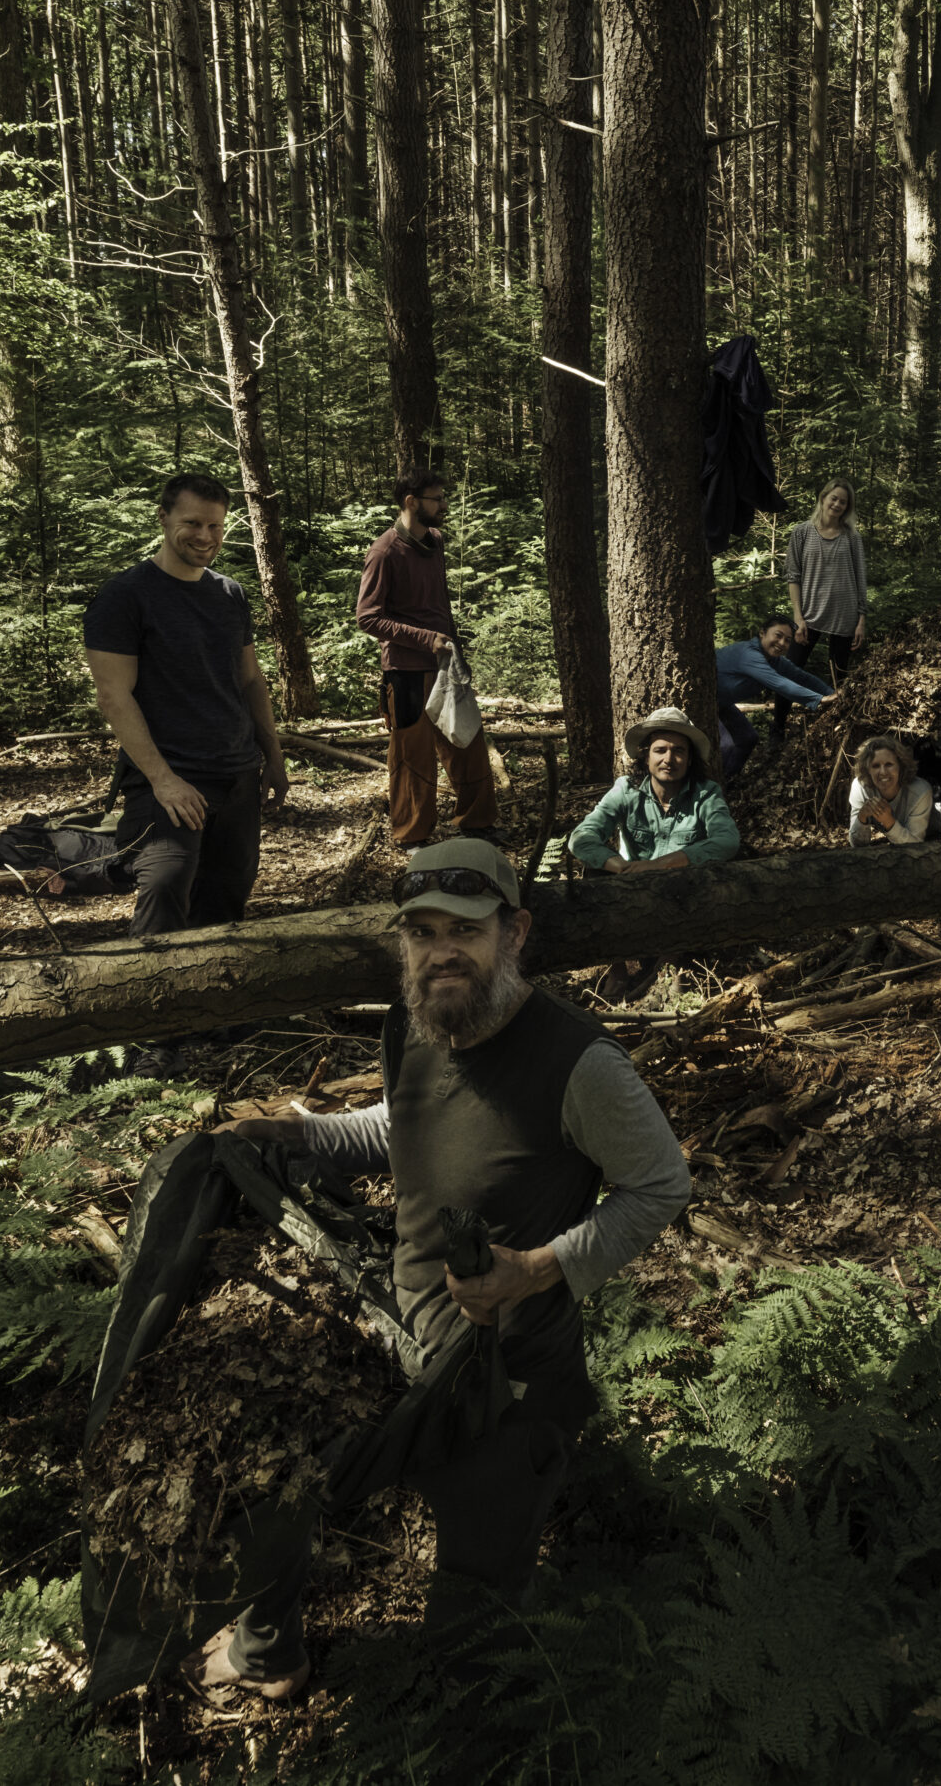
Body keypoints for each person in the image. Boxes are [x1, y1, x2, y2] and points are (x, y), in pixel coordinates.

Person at [206, 838, 691, 1694]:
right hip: (394, 1330)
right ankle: (268, 1651)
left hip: (509, 1377)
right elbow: (405, 1123)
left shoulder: (579, 1063)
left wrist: (536, 1268)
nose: (442, 953)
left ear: (515, 933)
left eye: (465, 930)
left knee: (473, 1639)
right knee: (267, 1471)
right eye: (422, 933)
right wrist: (303, 1133)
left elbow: (661, 1185)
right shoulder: (418, 1022)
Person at [84, 473, 290, 951]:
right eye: (193, 523)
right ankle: (149, 994)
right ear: (163, 517)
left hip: (237, 774)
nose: (205, 536)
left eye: (215, 526)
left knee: (226, 898)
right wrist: (163, 780)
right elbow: (114, 696)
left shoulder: (229, 593)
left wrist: (273, 756)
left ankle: (213, 995)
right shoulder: (124, 596)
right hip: (170, 778)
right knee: (165, 886)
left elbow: (250, 680)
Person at [356, 469, 499, 851]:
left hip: (446, 665)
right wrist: (425, 638)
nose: (444, 505)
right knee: (412, 755)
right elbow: (367, 617)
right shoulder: (384, 551)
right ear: (411, 501)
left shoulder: (434, 541)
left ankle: (477, 824)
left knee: (467, 742)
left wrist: (455, 648)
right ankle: (412, 835)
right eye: (437, 499)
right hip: (405, 671)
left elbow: (438, 603)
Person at [567, 708, 742, 874]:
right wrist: (621, 867)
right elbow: (581, 837)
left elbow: (727, 841)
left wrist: (658, 865)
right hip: (632, 884)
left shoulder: (705, 793)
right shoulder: (626, 790)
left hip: (688, 885)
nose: (668, 759)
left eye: (678, 751)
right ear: (646, 757)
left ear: (689, 759)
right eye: (660, 750)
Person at [782, 479, 867, 709]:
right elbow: (793, 577)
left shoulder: (852, 537)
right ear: (823, 498)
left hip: (845, 616)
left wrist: (861, 620)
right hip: (809, 616)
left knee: (840, 679)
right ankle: (778, 726)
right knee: (788, 672)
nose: (837, 504)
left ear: (847, 507)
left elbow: (860, 578)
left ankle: (836, 724)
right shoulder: (801, 532)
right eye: (834, 498)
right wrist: (798, 617)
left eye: (843, 502)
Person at [715, 618, 833, 779]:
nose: (782, 643)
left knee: (748, 738)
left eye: (788, 640)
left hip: (722, 704)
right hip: (704, 702)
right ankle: (709, 785)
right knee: (726, 745)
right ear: (762, 633)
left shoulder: (775, 661)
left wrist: (831, 692)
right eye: (778, 635)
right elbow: (780, 683)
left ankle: (726, 780)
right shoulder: (748, 654)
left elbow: (802, 677)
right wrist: (819, 699)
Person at [846, 734, 934, 845]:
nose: (883, 772)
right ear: (867, 770)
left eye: (889, 765)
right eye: (876, 766)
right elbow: (856, 844)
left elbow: (915, 845)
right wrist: (862, 818)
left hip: (932, 824)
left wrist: (888, 821)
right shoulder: (860, 787)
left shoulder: (920, 792)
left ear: (901, 766)